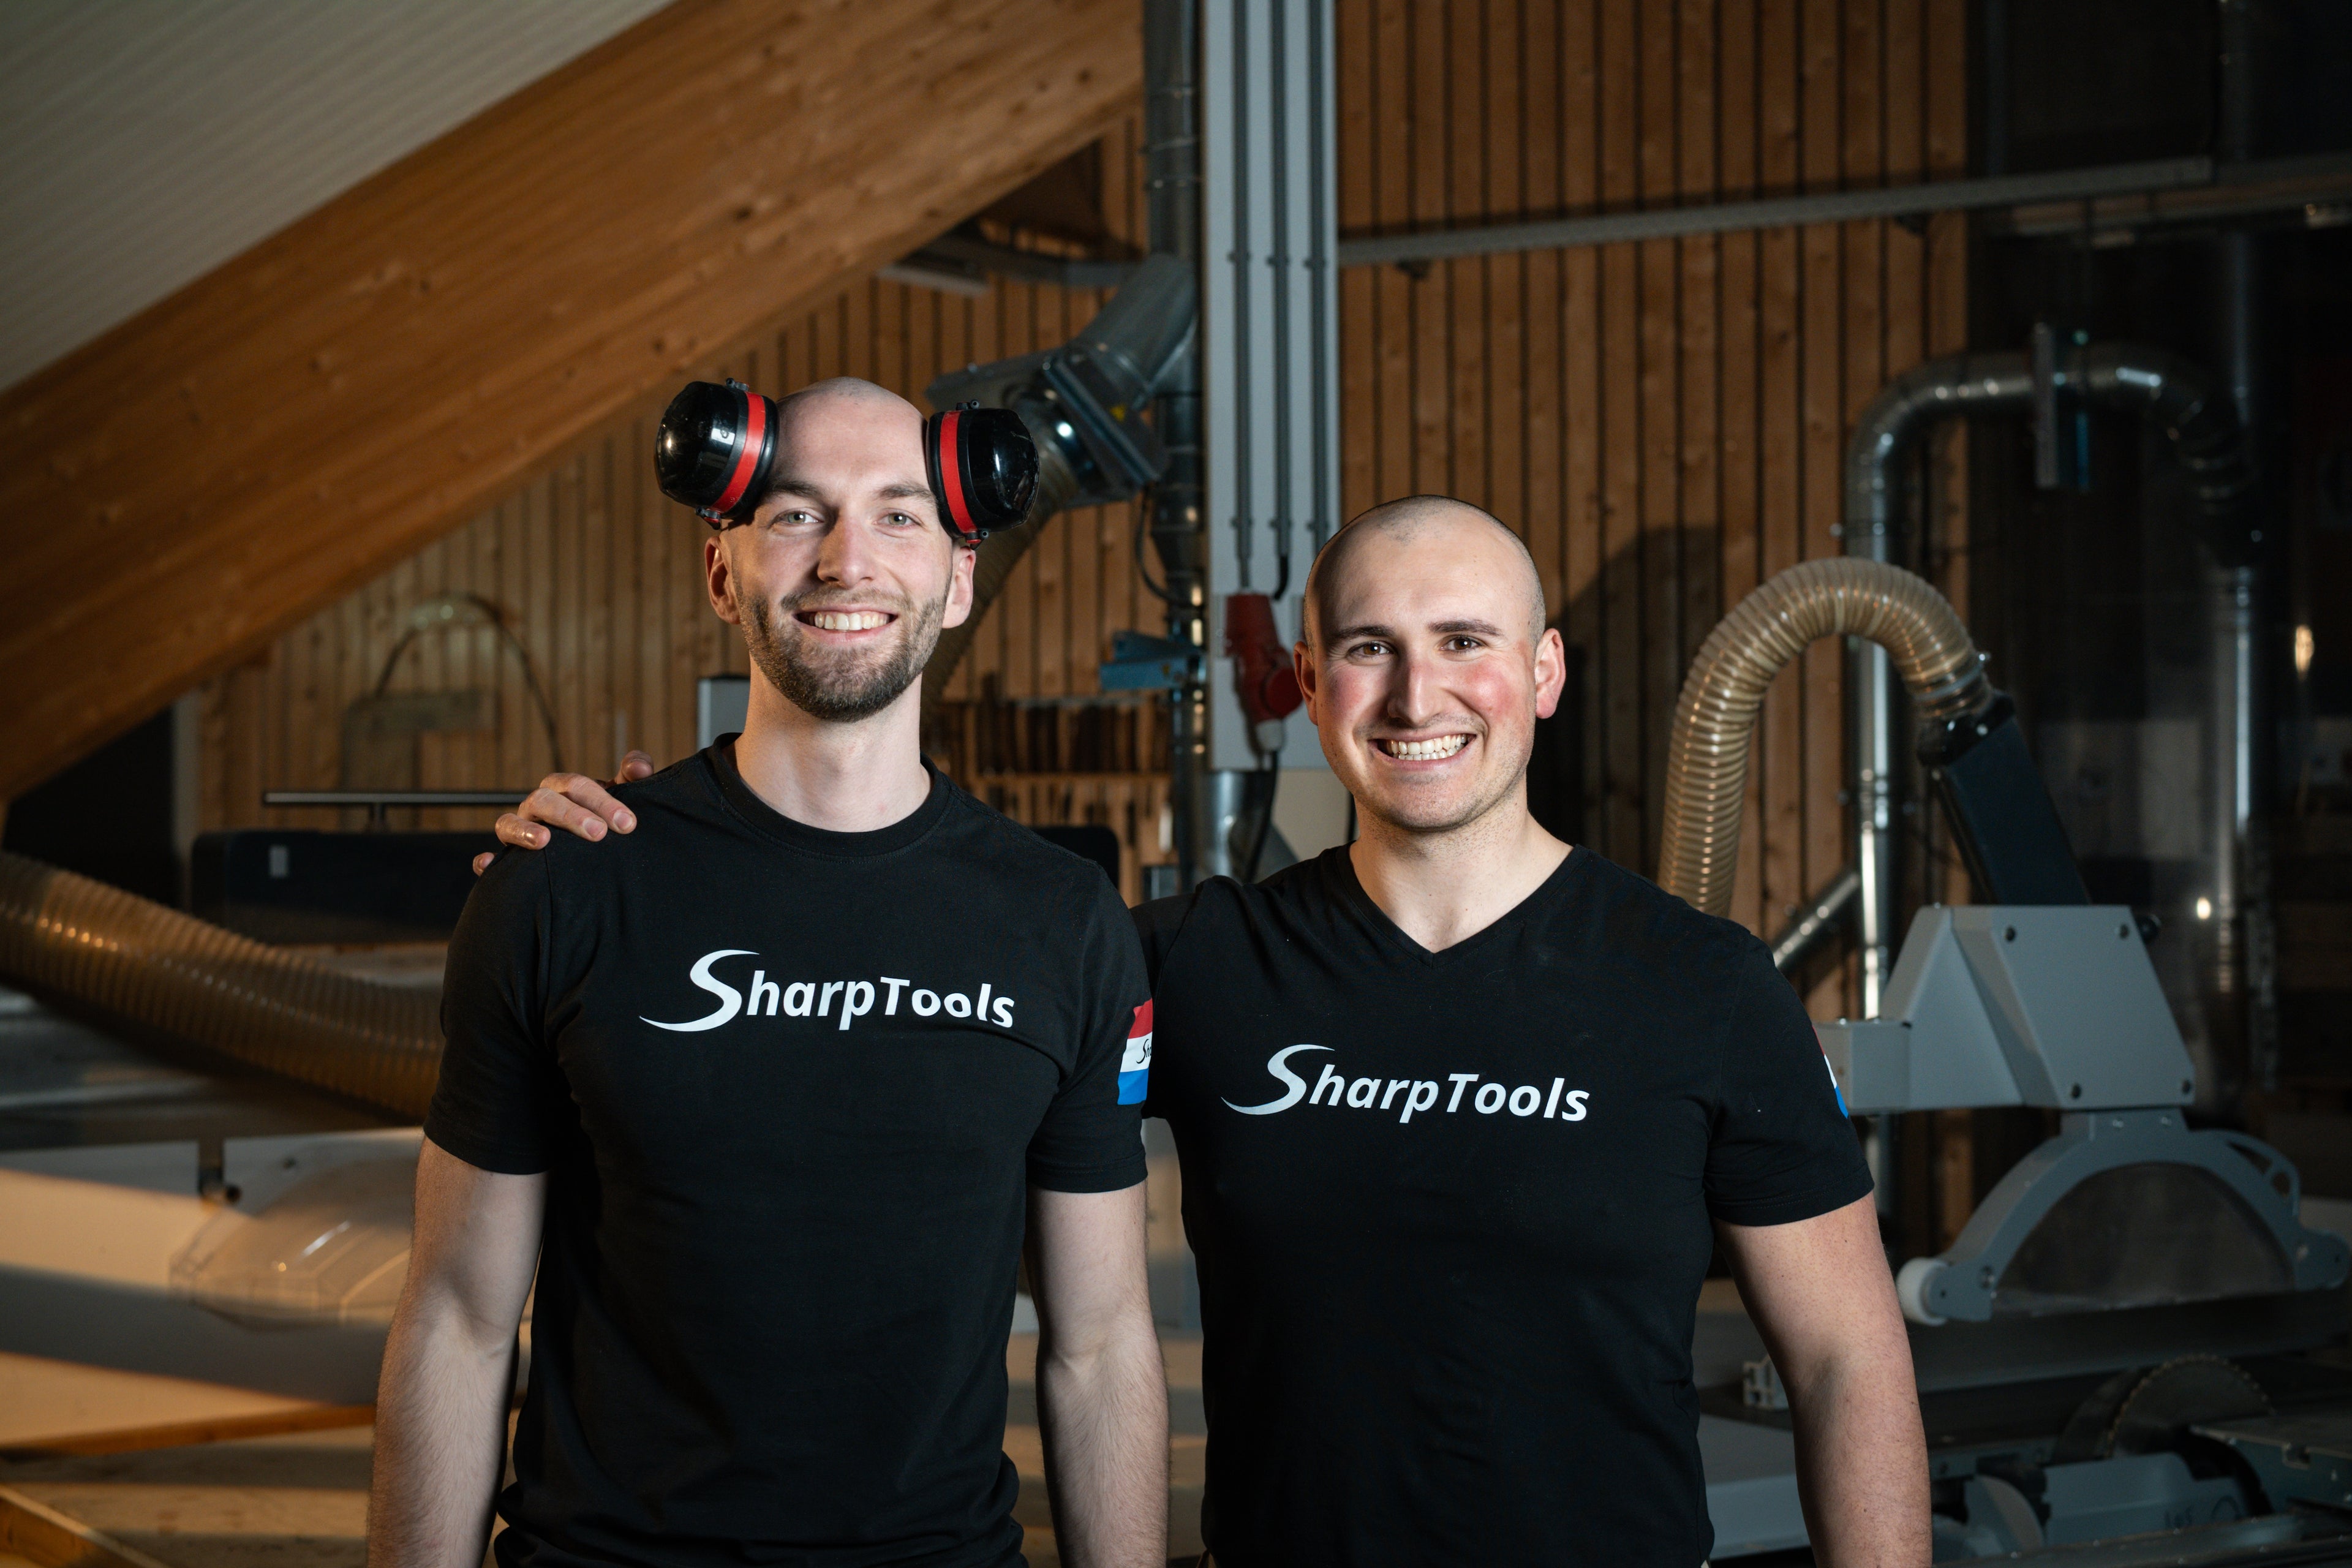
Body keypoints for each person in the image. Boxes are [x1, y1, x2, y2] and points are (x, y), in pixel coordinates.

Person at [502, 495, 1929, 1565]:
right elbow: (895, 992)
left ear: (1544, 671)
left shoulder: (1701, 984)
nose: (1418, 694)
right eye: (1367, 648)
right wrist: (676, 847)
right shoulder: (1195, 963)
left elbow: (1848, 1363)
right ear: (1306, 681)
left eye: (1465, 643)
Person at [374, 377, 1167, 1568]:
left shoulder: (1063, 921)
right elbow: (456, 1317)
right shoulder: (565, 889)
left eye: (898, 515)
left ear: (958, 580)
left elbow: (1098, 1345)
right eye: (797, 514)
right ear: (721, 572)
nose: (848, 559)